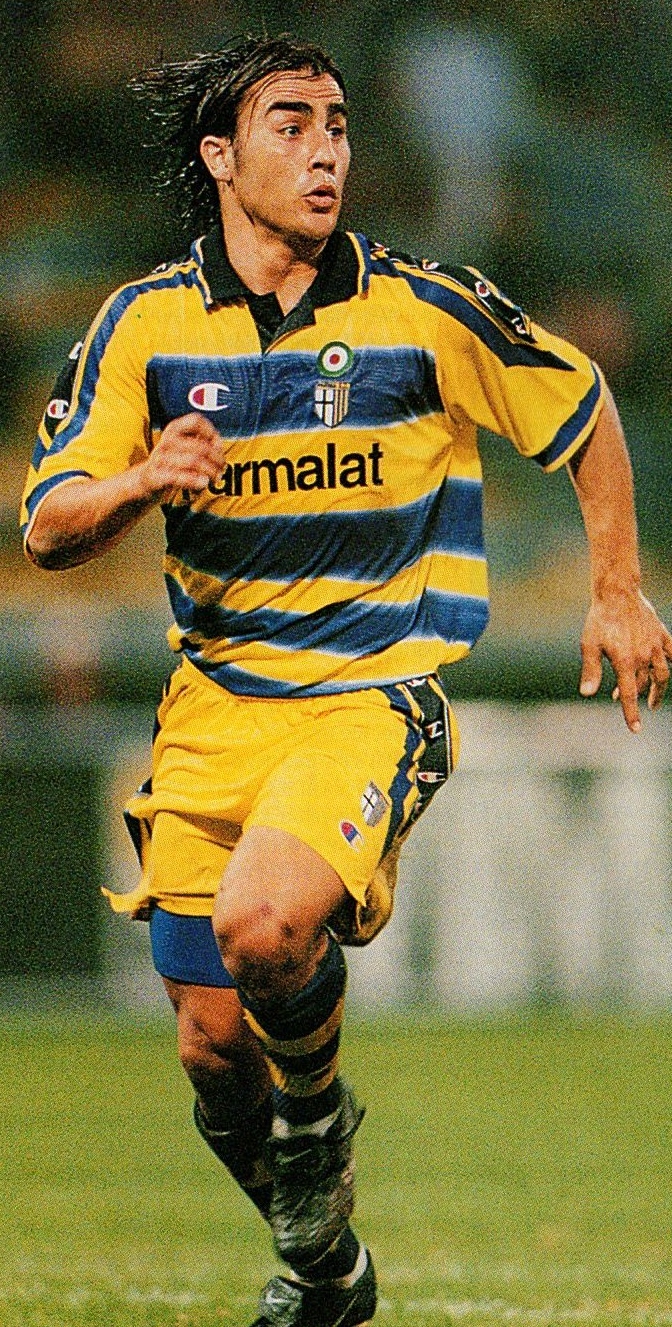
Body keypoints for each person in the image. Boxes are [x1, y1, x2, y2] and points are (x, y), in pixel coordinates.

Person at [20, 32, 672, 1327]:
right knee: (212, 1050)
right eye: (292, 124)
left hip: (370, 693)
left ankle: (317, 1128)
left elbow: (582, 404)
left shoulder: (421, 307)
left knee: (267, 926)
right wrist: (143, 480)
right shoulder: (143, 325)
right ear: (221, 155)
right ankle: (329, 1274)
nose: (326, 152)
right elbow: (47, 527)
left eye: (338, 125)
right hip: (213, 709)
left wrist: (615, 586)